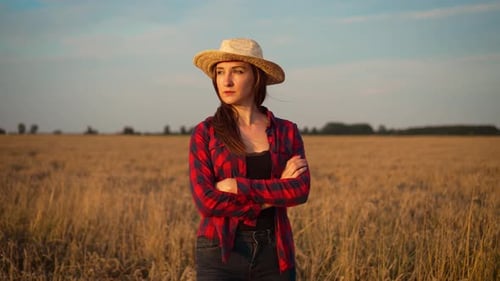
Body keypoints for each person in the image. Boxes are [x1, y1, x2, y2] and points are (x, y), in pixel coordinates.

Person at [189, 38, 310, 281]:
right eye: (220, 72)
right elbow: (207, 202)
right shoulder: (206, 132)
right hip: (220, 252)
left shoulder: (286, 131)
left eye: (238, 71)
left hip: (275, 251)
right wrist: (272, 195)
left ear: (257, 77)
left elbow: (299, 190)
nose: (226, 80)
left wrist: (238, 186)